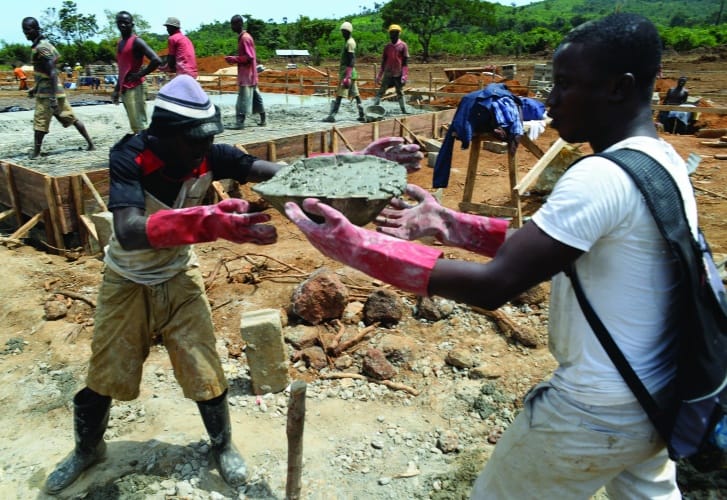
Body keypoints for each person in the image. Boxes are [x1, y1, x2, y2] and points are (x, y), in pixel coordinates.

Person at [286, 13, 690, 499]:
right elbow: (553, 244)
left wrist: (360, 247)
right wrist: (452, 225)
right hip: (659, 393)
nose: (550, 99)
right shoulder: (658, 162)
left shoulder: (599, 176)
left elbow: (496, 285)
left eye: (564, 85)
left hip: (594, 409)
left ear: (618, 89)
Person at [41, 74, 422, 495]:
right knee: (105, 373)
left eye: (208, 141)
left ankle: (221, 445)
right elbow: (130, 230)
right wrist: (212, 222)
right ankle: (87, 449)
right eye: (194, 141)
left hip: (178, 276)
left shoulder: (210, 156)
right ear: (165, 134)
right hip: (126, 277)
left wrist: (352, 169)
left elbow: (286, 176)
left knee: (204, 367)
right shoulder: (130, 156)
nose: (202, 150)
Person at [21, 17, 94, 159]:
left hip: (48, 94)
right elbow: (45, 73)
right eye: (24, 30)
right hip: (55, 90)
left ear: (36, 29)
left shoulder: (42, 48)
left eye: (28, 30)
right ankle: (90, 144)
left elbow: (52, 72)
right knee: (71, 118)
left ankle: (36, 153)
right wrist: (34, 89)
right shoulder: (45, 45)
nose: (26, 33)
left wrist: (52, 97)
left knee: (40, 123)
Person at [112, 11, 162, 134]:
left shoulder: (136, 42)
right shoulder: (120, 43)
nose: (122, 25)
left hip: (136, 87)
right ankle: (143, 148)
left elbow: (156, 60)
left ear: (132, 25)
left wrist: (139, 74)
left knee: (140, 124)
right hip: (125, 87)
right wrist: (117, 89)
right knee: (135, 124)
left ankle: (146, 149)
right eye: (120, 22)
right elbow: (122, 69)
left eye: (126, 23)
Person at [225, 15, 265, 129]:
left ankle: (239, 123)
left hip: (246, 75)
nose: (231, 27)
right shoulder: (246, 37)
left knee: (242, 100)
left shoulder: (244, 38)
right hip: (251, 74)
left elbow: (249, 57)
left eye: (232, 24)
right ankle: (263, 120)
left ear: (239, 24)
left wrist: (234, 59)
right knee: (256, 98)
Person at [323, 21, 365, 123]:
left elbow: (352, 60)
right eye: (342, 31)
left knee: (339, 94)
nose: (343, 33)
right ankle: (362, 115)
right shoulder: (348, 42)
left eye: (345, 31)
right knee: (356, 94)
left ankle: (332, 116)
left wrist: (347, 76)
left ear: (349, 31)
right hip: (350, 73)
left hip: (347, 73)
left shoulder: (350, 43)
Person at [373, 24, 410, 115]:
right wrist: (379, 75)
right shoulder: (387, 47)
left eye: (395, 33)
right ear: (389, 34)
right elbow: (383, 62)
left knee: (400, 92)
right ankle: (374, 108)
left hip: (398, 73)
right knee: (381, 90)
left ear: (398, 34)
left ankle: (403, 110)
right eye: (392, 33)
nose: (393, 35)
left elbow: (405, 63)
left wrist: (404, 75)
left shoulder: (403, 46)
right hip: (388, 72)